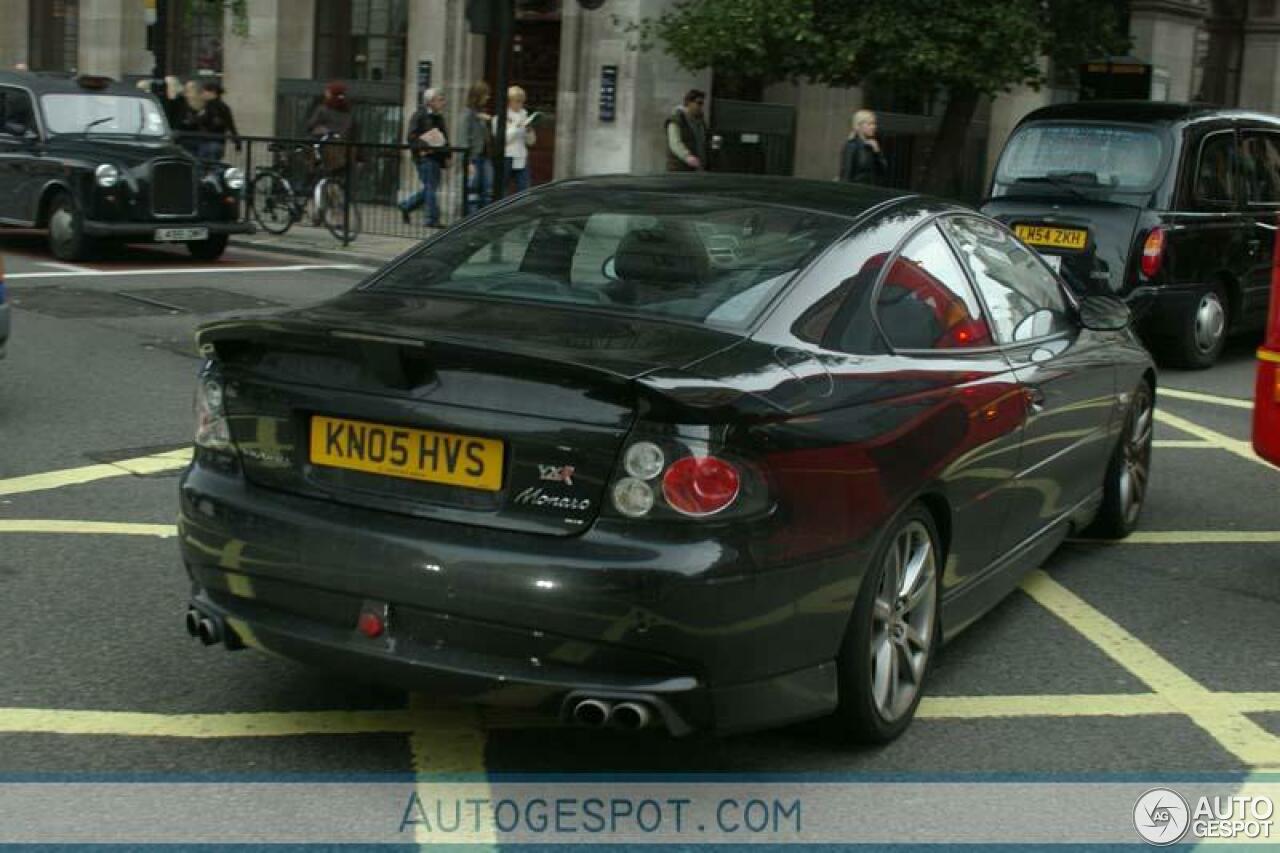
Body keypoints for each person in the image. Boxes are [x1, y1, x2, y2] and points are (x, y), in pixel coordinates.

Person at [398, 87, 450, 228]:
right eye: (440, 100)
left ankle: (406, 206)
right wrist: (424, 146)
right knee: (431, 188)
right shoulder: (419, 115)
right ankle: (432, 218)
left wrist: (447, 154)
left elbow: (444, 137)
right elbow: (411, 137)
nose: (443, 103)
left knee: (430, 188)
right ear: (430, 102)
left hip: (437, 157)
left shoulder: (439, 117)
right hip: (424, 157)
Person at [460, 81, 495, 216]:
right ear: (478, 96)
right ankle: (472, 218)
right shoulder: (467, 114)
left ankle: (485, 218)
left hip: (485, 156)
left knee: (487, 190)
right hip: (474, 157)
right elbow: (463, 138)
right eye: (485, 95)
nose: (488, 98)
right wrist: (467, 161)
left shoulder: (481, 114)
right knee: (473, 191)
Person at [498, 85, 536, 195]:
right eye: (517, 101)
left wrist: (529, 131)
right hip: (507, 157)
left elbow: (531, 142)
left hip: (521, 156)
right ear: (509, 102)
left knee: (524, 191)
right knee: (502, 190)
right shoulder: (501, 116)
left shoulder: (524, 115)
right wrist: (516, 127)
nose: (520, 104)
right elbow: (502, 140)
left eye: (521, 101)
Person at [840, 109, 888, 186]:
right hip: (856, 191)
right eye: (869, 124)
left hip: (870, 190)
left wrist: (877, 152)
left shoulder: (872, 146)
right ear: (859, 125)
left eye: (874, 124)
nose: (873, 127)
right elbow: (846, 174)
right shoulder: (852, 145)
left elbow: (882, 170)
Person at [665, 89, 710, 172]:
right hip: (679, 167)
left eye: (702, 104)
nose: (701, 107)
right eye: (699, 103)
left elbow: (702, 141)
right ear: (689, 103)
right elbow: (675, 143)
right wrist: (687, 156)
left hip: (697, 168)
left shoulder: (700, 121)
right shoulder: (676, 120)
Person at [197, 80, 238, 162]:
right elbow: (230, 124)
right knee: (213, 166)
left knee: (205, 166)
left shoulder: (211, 107)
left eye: (204, 91)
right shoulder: (223, 107)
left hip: (211, 141)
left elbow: (216, 123)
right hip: (215, 141)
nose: (202, 94)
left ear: (212, 92)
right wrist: (236, 141)